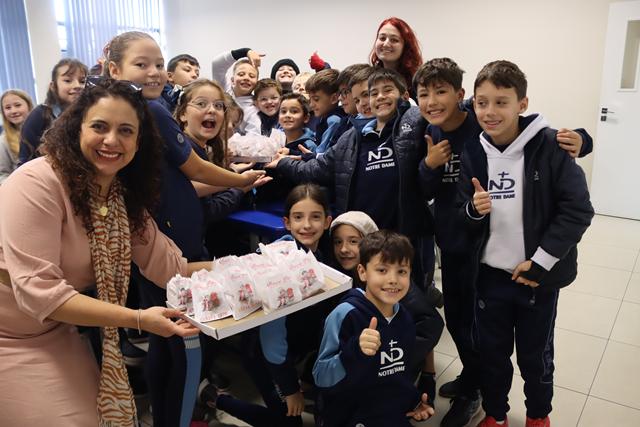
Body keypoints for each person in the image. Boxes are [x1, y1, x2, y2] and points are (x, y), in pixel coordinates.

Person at [0, 78, 207, 427]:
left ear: (138, 142)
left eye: (125, 131)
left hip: (55, 330)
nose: (112, 140)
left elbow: (170, 268)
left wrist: (247, 270)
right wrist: (138, 319)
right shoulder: (36, 183)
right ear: (76, 129)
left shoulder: (120, 196)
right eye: (99, 127)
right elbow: (40, 293)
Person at [103, 30, 264, 427]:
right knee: (185, 345)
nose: (154, 72)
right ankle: (180, 416)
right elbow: (193, 168)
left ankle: (163, 414)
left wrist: (231, 180)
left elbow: (177, 182)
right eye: (142, 64)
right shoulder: (151, 110)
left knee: (162, 339)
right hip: (173, 248)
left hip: (157, 241)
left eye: (159, 64)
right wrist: (239, 181)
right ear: (114, 69)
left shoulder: (133, 109)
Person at [458, 60, 594, 427]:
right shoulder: (473, 152)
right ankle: (496, 414)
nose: (490, 111)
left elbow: (578, 210)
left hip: (537, 277)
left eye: (501, 102)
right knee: (492, 354)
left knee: (535, 357)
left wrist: (541, 262)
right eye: (482, 102)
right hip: (489, 277)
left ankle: (537, 416)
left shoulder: (551, 146)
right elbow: (460, 212)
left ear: (522, 104)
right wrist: (472, 210)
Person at [313, 230, 434, 426]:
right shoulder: (344, 314)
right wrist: (355, 350)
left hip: (389, 415)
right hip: (349, 417)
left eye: (401, 271)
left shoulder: (404, 317)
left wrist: (413, 401)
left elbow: (397, 373)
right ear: (362, 272)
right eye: (382, 270)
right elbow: (321, 377)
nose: (393, 279)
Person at [330, 211, 444, 408]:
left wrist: (396, 360)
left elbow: (430, 322)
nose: (344, 249)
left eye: (353, 241)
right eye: (337, 242)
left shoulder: (393, 286)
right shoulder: (343, 273)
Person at [18, 58, 88, 165]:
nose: (77, 86)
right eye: (68, 81)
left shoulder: (89, 114)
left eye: (82, 81)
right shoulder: (40, 114)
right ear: (53, 86)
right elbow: (25, 158)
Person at [211, 48, 264, 135]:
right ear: (232, 80)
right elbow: (217, 64)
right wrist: (245, 52)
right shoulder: (223, 88)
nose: (246, 78)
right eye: (241, 74)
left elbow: (254, 137)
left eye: (251, 76)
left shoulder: (253, 109)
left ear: (256, 84)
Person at [369, 17, 422, 95]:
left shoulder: (418, 81)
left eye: (394, 40)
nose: (386, 44)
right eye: (382, 38)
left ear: (406, 47)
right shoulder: (368, 78)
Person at [305, 68, 346, 153]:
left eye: (316, 99)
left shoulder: (334, 121)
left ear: (334, 98)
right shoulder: (324, 118)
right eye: (310, 99)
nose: (311, 105)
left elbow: (321, 153)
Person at [0, 89, 33, 183]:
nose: (13, 111)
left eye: (18, 105)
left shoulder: (45, 130)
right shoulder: (3, 141)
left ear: (29, 106)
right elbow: (2, 175)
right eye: (8, 108)